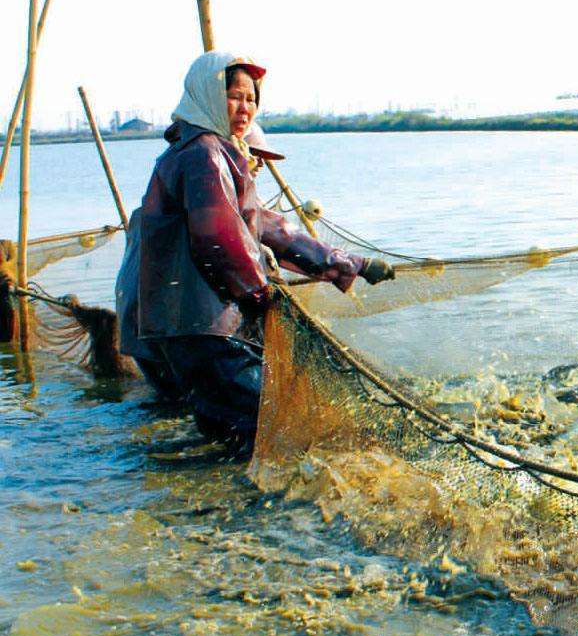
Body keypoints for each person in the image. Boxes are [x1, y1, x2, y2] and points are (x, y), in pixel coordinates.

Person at [117, 50, 394, 452]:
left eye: (251, 99)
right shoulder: (204, 154)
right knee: (268, 420)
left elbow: (268, 226)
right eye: (233, 96)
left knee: (227, 431)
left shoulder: (201, 152)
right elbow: (219, 239)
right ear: (208, 96)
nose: (244, 108)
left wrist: (351, 263)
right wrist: (261, 296)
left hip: (183, 327)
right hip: (202, 327)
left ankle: (208, 504)